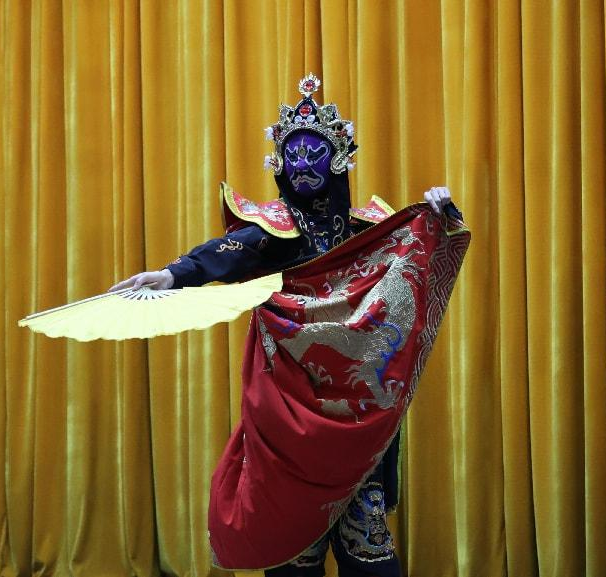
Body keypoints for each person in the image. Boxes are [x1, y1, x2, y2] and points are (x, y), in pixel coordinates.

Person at [111, 74, 466, 576]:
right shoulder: (273, 229)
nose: (301, 164)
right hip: (290, 411)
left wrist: (439, 214)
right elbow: (227, 253)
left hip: (355, 410)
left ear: (338, 159)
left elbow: (422, 261)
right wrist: (173, 274)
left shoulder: (373, 230)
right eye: (291, 154)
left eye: (313, 152)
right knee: (293, 556)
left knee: (369, 555)